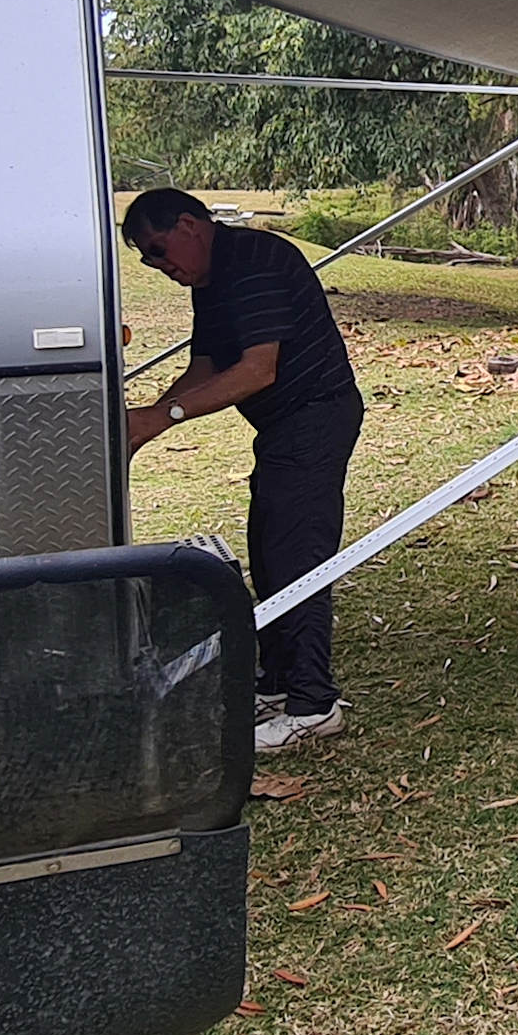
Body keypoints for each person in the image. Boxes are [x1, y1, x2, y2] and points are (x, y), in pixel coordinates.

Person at [119, 188, 363, 752]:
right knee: (269, 549)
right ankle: (278, 683)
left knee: (298, 555)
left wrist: (164, 416)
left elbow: (258, 370)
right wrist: (147, 421)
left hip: (315, 417)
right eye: (147, 260)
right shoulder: (212, 279)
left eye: (159, 250)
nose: (160, 267)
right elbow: (205, 365)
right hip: (282, 430)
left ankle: (313, 704)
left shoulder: (254, 262)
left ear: (188, 224)